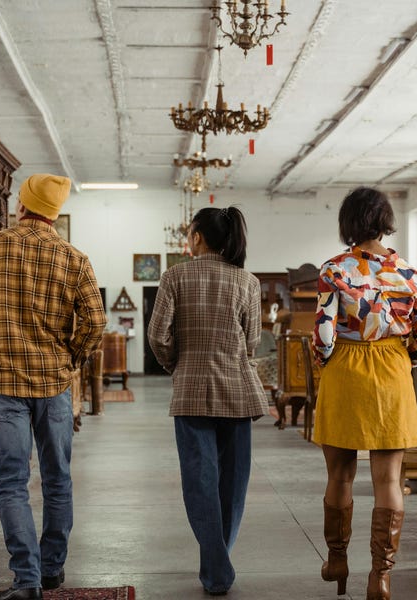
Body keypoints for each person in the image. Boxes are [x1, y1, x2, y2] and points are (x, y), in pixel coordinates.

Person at [0, 173, 107, 600]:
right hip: (54, 383)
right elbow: (95, 322)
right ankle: (53, 568)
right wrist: (70, 360)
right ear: (54, 214)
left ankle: (27, 580)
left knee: (12, 483)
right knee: (58, 480)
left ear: (20, 205)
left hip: (1, 382)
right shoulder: (74, 258)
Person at [311, 187, 417, 599]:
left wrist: (328, 357)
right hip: (391, 372)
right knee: (388, 480)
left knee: (339, 474)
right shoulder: (411, 276)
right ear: (385, 220)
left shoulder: (334, 270)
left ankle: (337, 560)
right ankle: (380, 578)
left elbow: (323, 336)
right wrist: (405, 359)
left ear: (348, 222)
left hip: (346, 370)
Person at [147, 206, 268, 596]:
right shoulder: (248, 281)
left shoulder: (174, 276)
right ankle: (219, 562)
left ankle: (216, 566)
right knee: (233, 484)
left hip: (192, 391)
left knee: (200, 483)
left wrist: (176, 365)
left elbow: (157, 336)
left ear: (197, 237)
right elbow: (251, 342)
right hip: (239, 391)